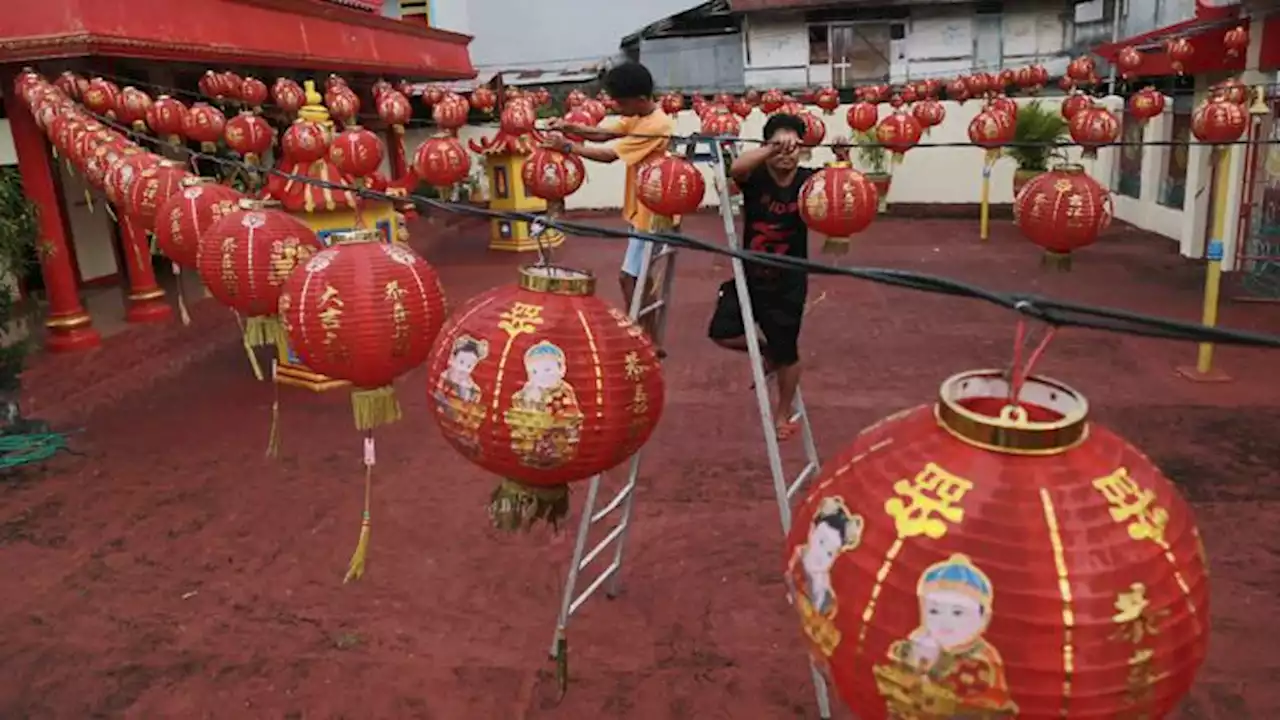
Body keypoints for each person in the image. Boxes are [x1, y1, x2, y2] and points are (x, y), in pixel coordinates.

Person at [708, 114, 846, 440]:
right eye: (779, 147)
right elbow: (736, 168)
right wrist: (770, 149)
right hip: (749, 277)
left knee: (789, 353)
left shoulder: (809, 181)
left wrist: (842, 158)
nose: (787, 155)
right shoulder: (755, 177)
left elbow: (843, 193)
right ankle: (766, 352)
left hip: (788, 282)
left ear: (802, 148)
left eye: (792, 147)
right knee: (721, 332)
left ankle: (782, 413)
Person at [541, 62, 673, 350]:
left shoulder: (656, 125)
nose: (617, 108)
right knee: (638, 278)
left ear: (639, 99)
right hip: (642, 209)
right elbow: (604, 133)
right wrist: (569, 127)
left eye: (621, 102)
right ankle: (650, 338)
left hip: (653, 214)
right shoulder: (639, 116)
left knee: (630, 279)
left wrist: (567, 147)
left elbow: (607, 154)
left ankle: (645, 339)